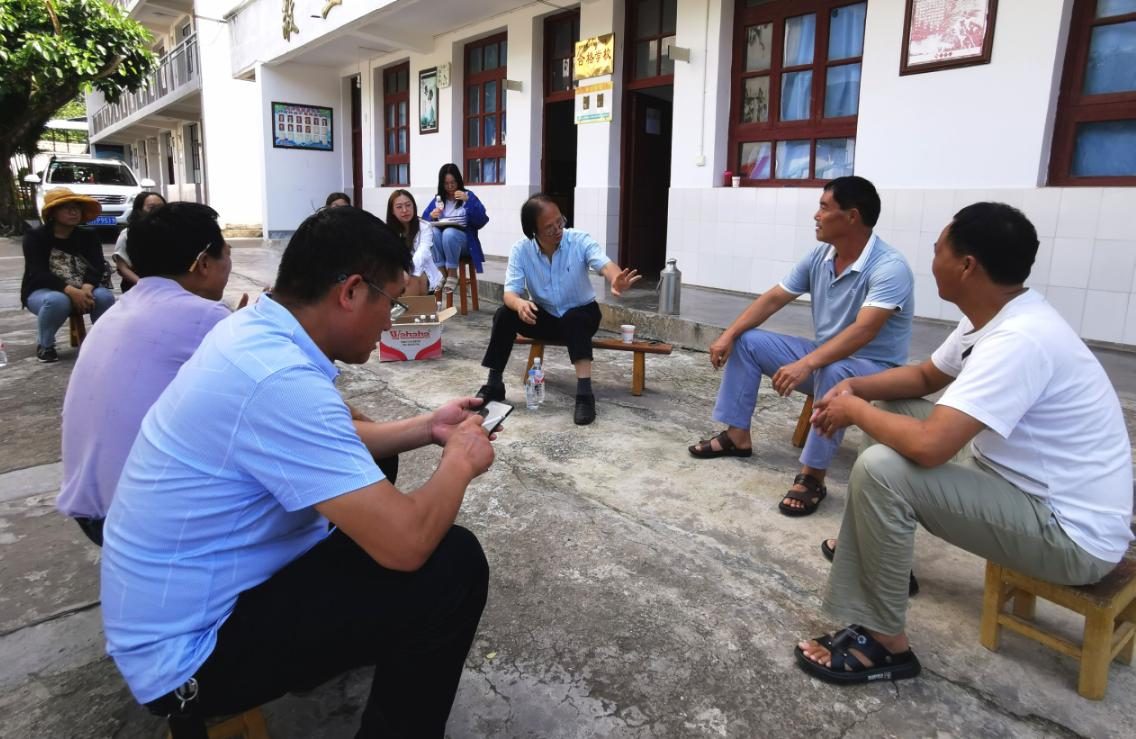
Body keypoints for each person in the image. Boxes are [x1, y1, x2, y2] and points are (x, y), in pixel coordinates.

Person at [101, 206, 494, 737]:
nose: (391, 321)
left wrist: (429, 427)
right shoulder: (278, 379)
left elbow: (331, 440)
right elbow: (407, 544)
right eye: (392, 301)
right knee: (451, 565)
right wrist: (459, 461)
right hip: (190, 655)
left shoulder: (255, 331)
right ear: (351, 292)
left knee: (375, 465)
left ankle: (335, 648)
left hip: (181, 603)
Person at [795, 202, 1133, 684]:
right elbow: (925, 377)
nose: (932, 261)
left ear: (967, 265)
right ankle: (885, 563)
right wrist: (855, 388)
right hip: (1020, 484)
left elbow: (931, 446)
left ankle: (885, 643)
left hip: (1069, 535)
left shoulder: (1019, 339)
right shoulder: (995, 315)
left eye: (938, 251)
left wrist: (852, 410)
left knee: (881, 470)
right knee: (891, 411)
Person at [687, 176, 913, 516]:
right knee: (748, 341)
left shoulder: (889, 267)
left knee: (835, 369)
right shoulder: (821, 256)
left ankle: (812, 476)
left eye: (824, 207)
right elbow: (774, 298)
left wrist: (807, 363)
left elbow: (864, 331)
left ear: (852, 216)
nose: (816, 216)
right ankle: (737, 436)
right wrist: (728, 334)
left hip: (875, 370)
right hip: (826, 357)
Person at [55, 203, 237, 546]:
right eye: (227, 254)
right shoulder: (204, 315)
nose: (229, 265)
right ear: (203, 263)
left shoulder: (120, 309)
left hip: (89, 507)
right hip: (136, 521)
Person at [476, 193, 640, 425]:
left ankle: (584, 395)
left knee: (574, 318)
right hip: (546, 317)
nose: (557, 229)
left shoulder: (578, 240)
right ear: (533, 231)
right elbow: (510, 294)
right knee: (504, 313)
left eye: (559, 221)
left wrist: (615, 278)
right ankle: (494, 384)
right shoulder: (521, 250)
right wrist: (520, 304)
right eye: (549, 227)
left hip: (583, 314)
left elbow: (604, 264)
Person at [20, 187, 117, 363]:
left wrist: (86, 288)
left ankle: (103, 341)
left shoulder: (89, 235)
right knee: (57, 300)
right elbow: (38, 272)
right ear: (52, 213)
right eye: (67, 208)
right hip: (43, 291)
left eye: (77, 208)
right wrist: (71, 291)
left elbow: (97, 266)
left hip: (84, 287)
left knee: (104, 296)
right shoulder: (35, 236)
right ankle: (45, 345)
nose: (74, 212)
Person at [421, 163, 488, 295]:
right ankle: (441, 272)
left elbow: (482, 220)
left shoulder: (468, 196)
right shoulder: (438, 199)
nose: (450, 186)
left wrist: (468, 201)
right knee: (432, 232)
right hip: (443, 245)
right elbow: (423, 223)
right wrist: (431, 216)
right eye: (446, 183)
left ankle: (452, 273)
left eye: (453, 182)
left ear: (459, 181)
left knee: (449, 233)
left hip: (464, 245)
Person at [386, 188, 441, 295]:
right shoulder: (387, 231)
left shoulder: (424, 227)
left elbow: (422, 253)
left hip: (422, 272)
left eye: (408, 205)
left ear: (414, 207)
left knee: (411, 279)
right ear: (392, 211)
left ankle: (412, 306)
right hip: (397, 273)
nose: (405, 210)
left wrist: (407, 270)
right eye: (399, 207)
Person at [112, 191, 167, 293]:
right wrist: (143, 285)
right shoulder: (127, 234)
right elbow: (123, 268)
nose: (158, 211)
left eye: (161, 207)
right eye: (152, 207)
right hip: (138, 286)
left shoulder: (172, 231)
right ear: (139, 211)